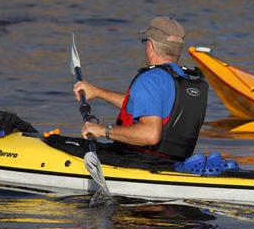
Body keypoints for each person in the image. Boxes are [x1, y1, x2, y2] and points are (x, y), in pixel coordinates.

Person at [73, 16, 208, 161]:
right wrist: (98, 92)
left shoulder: (150, 79)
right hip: (175, 162)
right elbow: (146, 105)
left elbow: (150, 135)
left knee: (59, 142)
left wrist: (102, 130)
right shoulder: (185, 79)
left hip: (140, 160)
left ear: (150, 46)